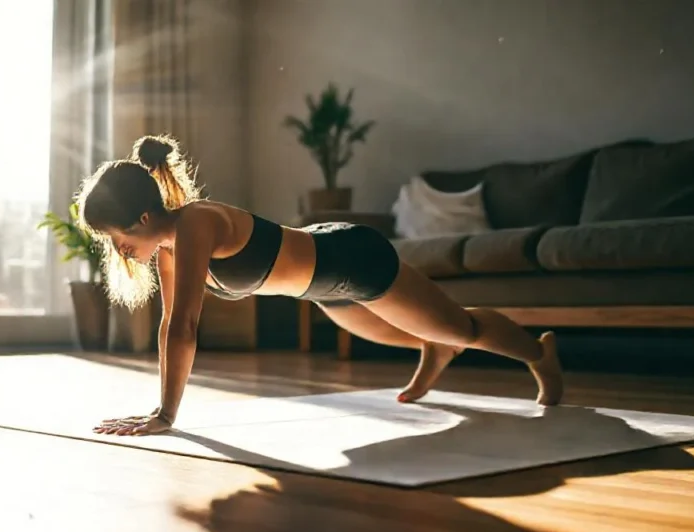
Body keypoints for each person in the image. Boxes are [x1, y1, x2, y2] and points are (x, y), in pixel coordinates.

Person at [80, 134, 563, 436]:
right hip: (324, 291)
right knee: (425, 329)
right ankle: (430, 345)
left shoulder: (196, 224)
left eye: (116, 238)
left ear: (143, 217)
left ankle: (539, 353)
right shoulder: (169, 249)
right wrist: (160, 411)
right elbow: (168, 325)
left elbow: (186, 325)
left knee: (461, 329)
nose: (118, 251)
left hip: (351, 260)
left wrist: (165, 416)